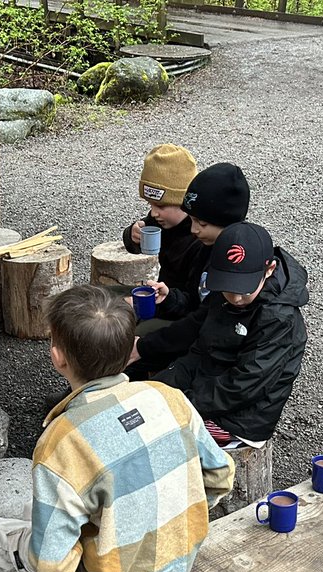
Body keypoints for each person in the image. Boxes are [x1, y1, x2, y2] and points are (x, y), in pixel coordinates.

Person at [0, 284, 236, 572]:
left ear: (58, 357)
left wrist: (53, 554)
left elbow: (53, 564)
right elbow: (220, 475)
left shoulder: (63, 440)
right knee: (31, 517)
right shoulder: (169, 397)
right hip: (180, 561)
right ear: (130, 347)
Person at [141, 222, 309, 447]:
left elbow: (244, 385)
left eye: (244, 289)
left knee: (156, 438)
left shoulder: (278, 318)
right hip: (210, 389)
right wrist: (159, 386)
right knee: (143, 402)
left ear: (268, 270)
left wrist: (183, 401)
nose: (235, 298)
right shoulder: (222, 296)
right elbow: (199, 351)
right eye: (228, 287)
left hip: (240, 419)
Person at [127, 162, 252, 378]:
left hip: (207, 351)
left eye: (201, 223)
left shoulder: (229, 264)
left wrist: (144, 347)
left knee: (128, 353)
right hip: (186, 320)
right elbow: (194, 302)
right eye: (192, 221)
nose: (194, 229)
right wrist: (168, 298)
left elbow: (202, 321)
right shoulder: (208, 243)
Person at [121, 143, 200, 320]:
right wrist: (132, 236)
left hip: (180, 311)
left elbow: (196, 304)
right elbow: (135, 243)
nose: (154, 212)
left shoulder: (200, 237)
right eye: (150, 204)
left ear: (184, 202)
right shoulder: (161, 220)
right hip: (163, 295)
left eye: (160, 206)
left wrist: (167, 298)